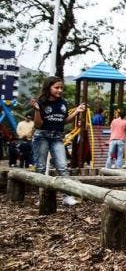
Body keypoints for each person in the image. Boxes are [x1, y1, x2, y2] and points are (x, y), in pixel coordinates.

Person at [31, 76, 86, 205]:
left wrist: (76, 111)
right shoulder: (40, 102)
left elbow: (64, 121)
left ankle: (67, 197)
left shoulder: (63, 103)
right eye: (56, 87)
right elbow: (38, 125)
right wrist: (37, 110)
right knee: (40, 167)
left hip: (57, 137)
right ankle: (41, 197)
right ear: (48, 87)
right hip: (42, 136)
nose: (60, 90)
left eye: (61, 88)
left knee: (62, 166)